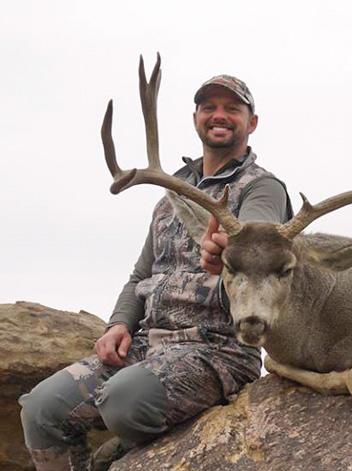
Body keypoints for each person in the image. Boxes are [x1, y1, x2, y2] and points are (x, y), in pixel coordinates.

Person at [19, 74, 292, 470]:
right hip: (148, 344)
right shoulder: (172, 194)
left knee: (123, 402)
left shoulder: (262, 188)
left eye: (232, 108)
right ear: (196, 118)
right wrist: (118, 324)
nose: (219, 115)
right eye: (209, 107)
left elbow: (257, 245)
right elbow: (140, 275)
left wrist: (228, 255)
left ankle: (120, 454)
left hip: (218, 350)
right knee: (41, 410)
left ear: (251, 123)